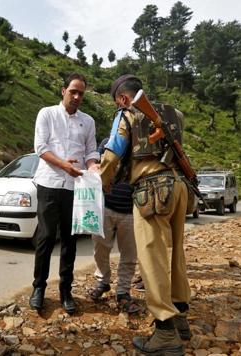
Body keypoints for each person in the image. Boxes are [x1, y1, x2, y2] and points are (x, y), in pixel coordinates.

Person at [99, 75, 191, 355]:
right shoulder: (175, 114)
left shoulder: (126, 113)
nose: (119, 106)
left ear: (123, 98)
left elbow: (113, 152)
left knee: (152, 258)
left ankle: (164, 331)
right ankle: (180, 320)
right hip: (178, 187)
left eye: (118, 102)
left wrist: (101, 181)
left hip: (151, 190)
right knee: (176, 254)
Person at [28, 73, 99, 315]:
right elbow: (41, 148)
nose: (77, 96)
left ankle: (66, 291)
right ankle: (38, 288)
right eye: (73, 91)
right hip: (49, 183)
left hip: (75, 187)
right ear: (63, 91)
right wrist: (64, 165)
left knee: (70, 241)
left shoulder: (87, 121)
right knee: (46, 237)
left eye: (81, 93)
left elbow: (91, 151)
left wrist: (93, 167)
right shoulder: (46, 114)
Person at [87, 137, 140, 314]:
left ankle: (123, 291)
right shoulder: (107, 143)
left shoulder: (141, 146)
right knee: (100, 249)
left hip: (132, 211)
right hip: (105, 207)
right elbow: (96, 167)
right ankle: (103, 281)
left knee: (129, 255)